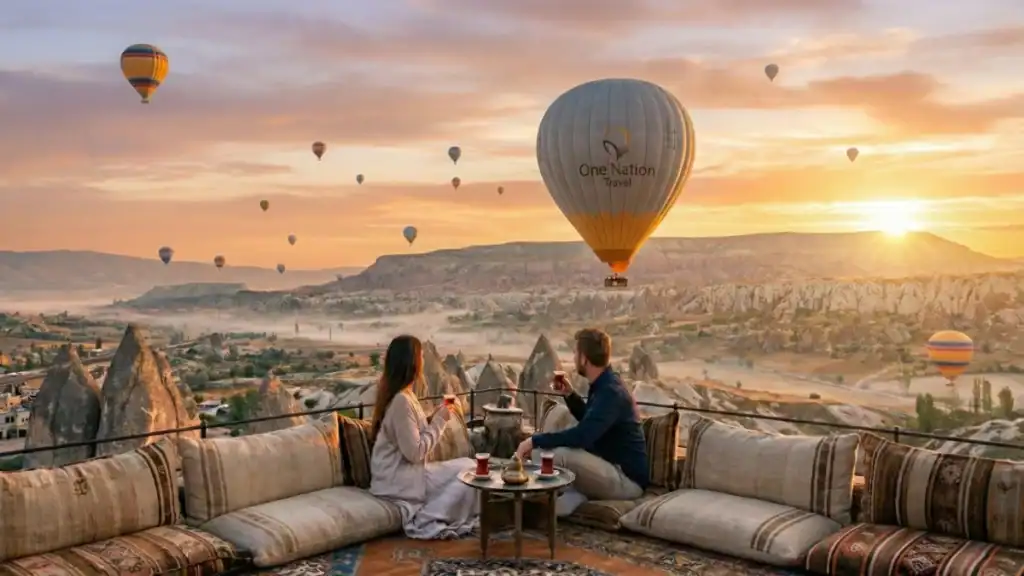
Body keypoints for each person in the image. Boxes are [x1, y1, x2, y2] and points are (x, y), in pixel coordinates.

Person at [515, 328, 648, 515]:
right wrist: (570, 395)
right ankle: (561, 500)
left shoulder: (611, 392)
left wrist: (534, 440)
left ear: (584, 358)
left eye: (576, 353)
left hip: (626, 480)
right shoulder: (605, 384)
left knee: (557, 454)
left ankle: (532, 495)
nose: (574, 357)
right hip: (607, 467)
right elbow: (592, 422)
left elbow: (582, 436)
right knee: (548, 452)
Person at [369, 335, 479, 539]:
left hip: (408, 473)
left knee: (468, 464)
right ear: (412, 362)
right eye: (421, 356)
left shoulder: (404, 395)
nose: (424, 361)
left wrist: (432, 417)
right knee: (470, 473)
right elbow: (415, 453)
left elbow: (410, 432)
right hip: (398, 479)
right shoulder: (402, 400)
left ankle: (436, 511)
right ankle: (428, 517)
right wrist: (441, 421)